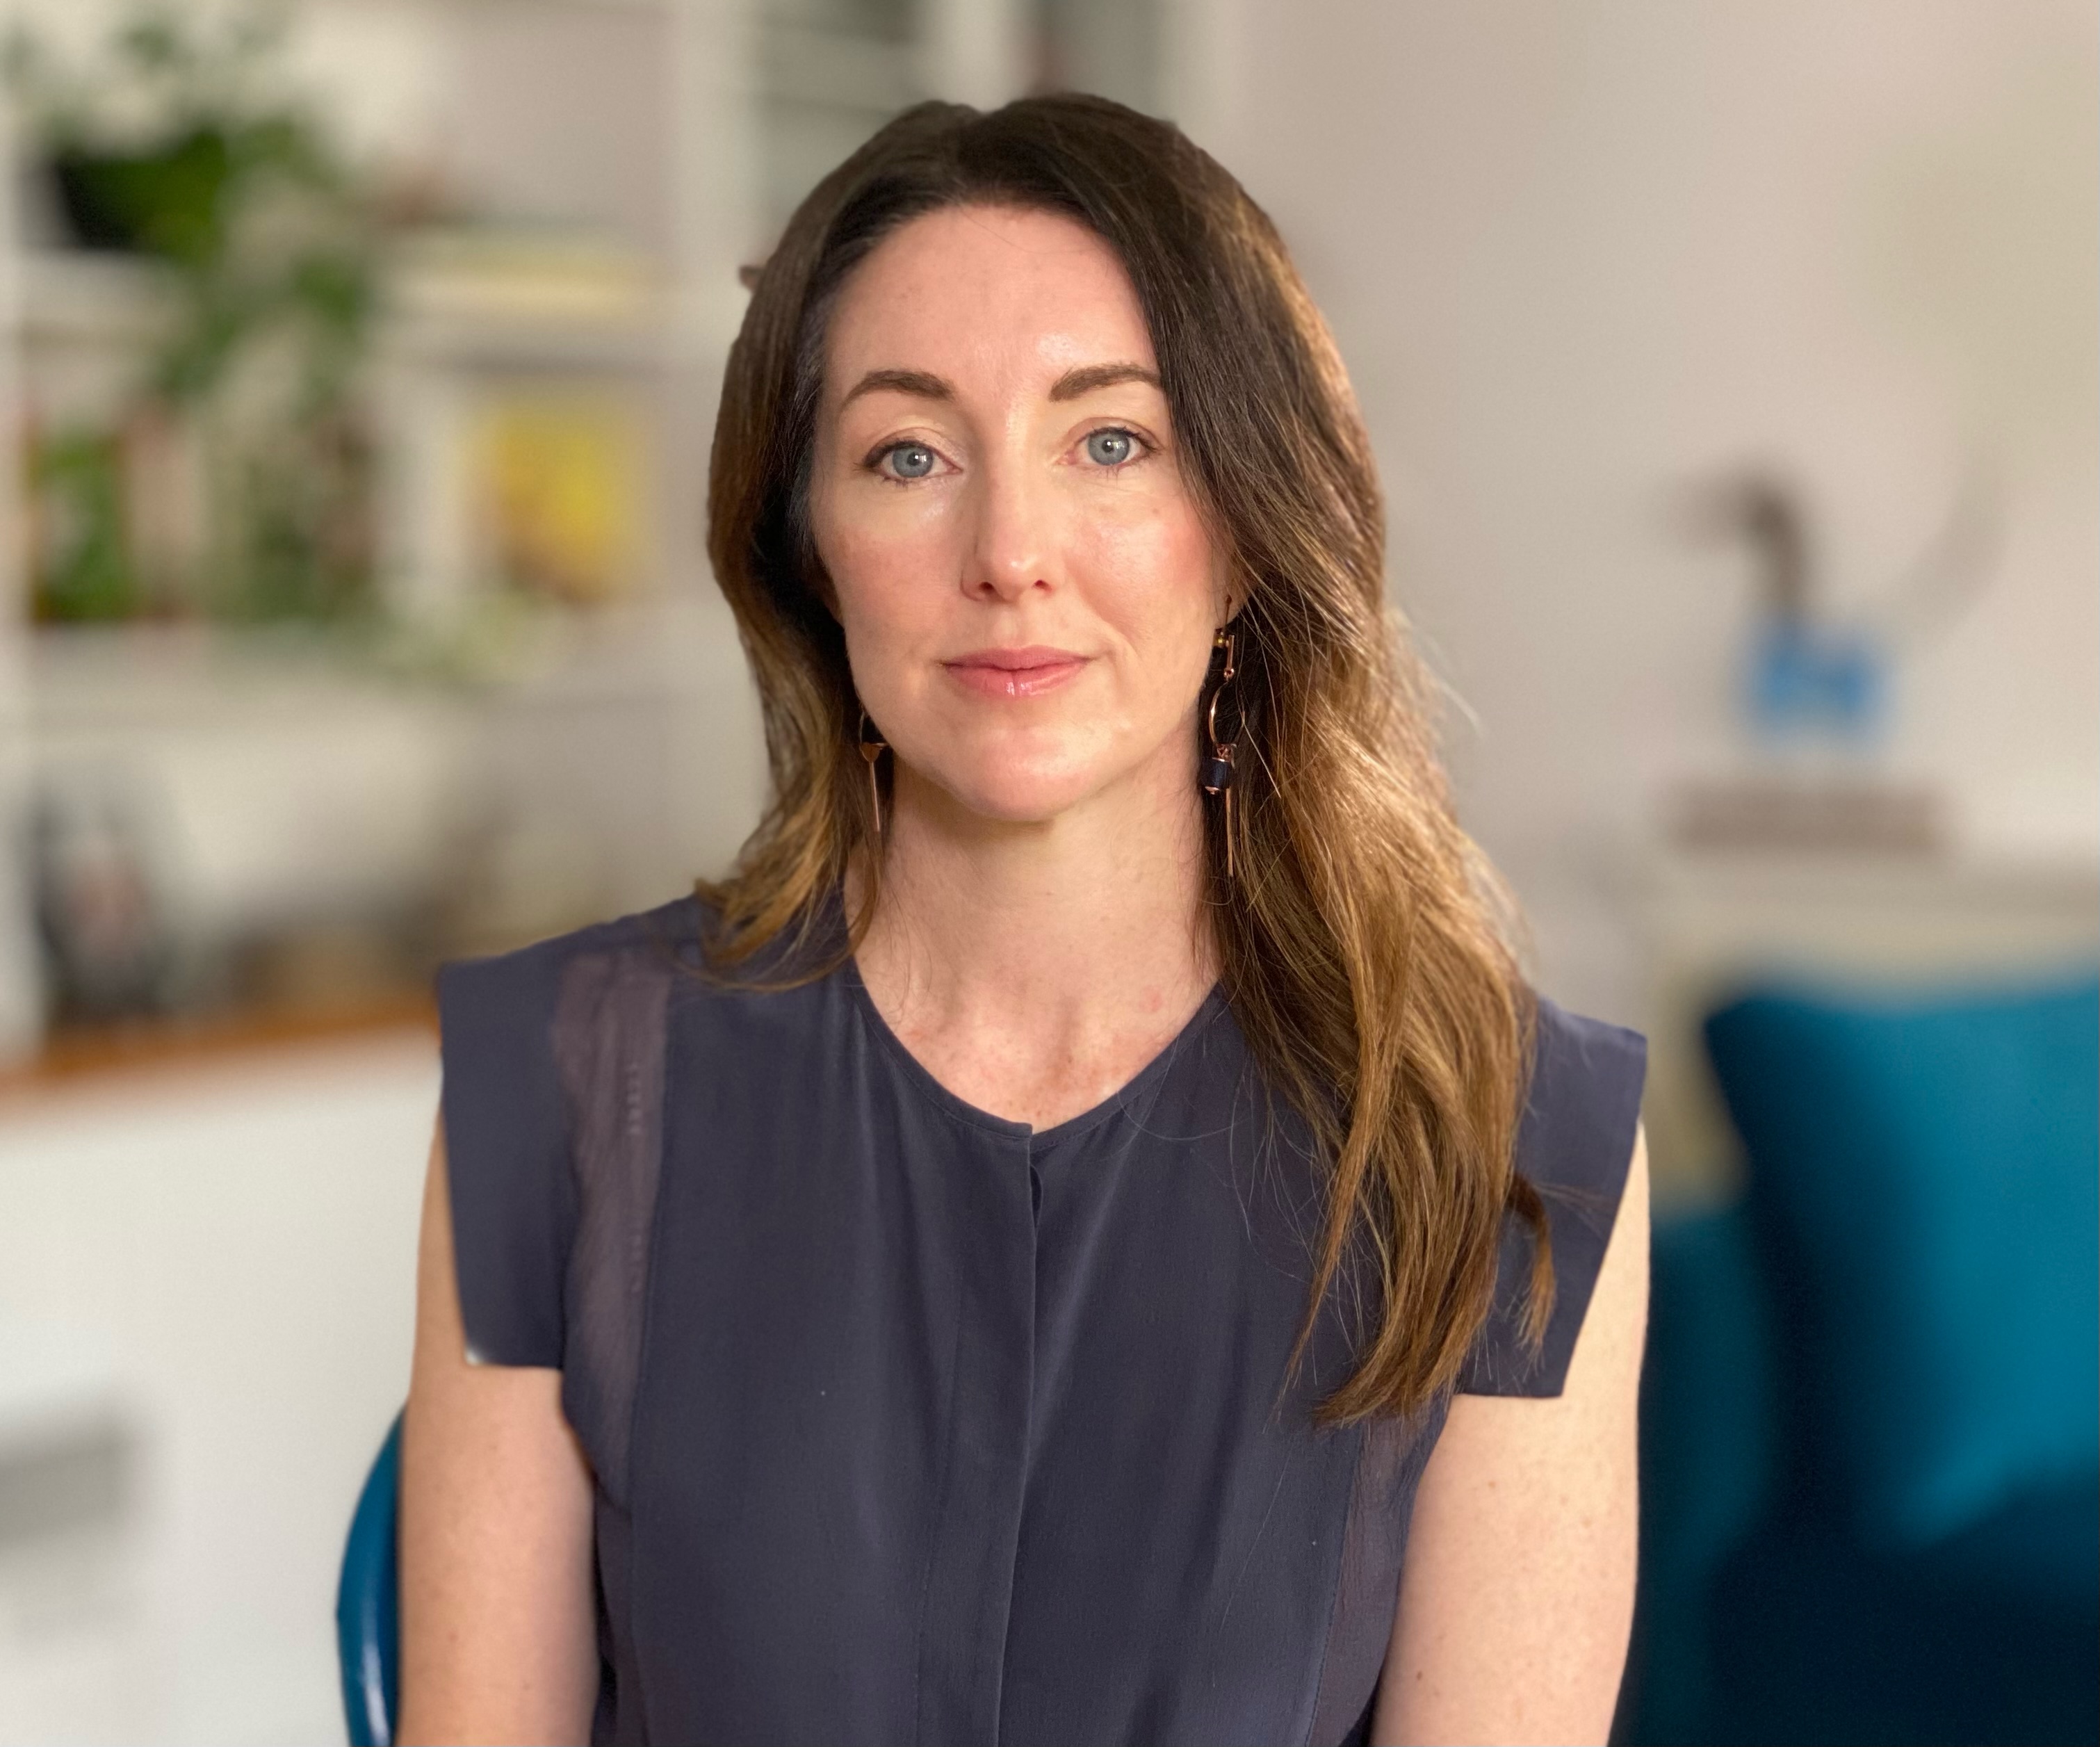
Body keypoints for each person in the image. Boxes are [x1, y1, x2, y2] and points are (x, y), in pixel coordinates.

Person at [396, 93, 1648, 1747]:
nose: (1008, 553)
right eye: (906, 454)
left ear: (1249, 533)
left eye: (1109, 441)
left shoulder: (1508, 1134)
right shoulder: (560, 1087)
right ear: (809, 553)